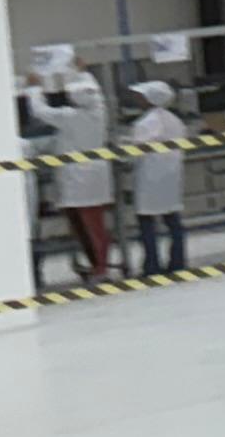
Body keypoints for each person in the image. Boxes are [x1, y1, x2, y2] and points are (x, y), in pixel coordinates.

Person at [44, 76, 113, 284]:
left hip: (79, 180)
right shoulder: (99, 111)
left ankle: (100, 269)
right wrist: (83, 72)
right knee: (93, 227)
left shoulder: (69, 116)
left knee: (91, 228)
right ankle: (98, 266)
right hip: (89, 179)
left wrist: (33, 89)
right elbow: (96, 93)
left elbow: (39, 111)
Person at [124, 79, 189, 277]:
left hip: (150, 177)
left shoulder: (146, 122)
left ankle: (151, 265)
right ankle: (178, 261)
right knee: (172, 220)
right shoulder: (175, 120)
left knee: (147, 222)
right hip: (171, 175)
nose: (137, 99)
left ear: (149, 99)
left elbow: (137, 149)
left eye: (141, 96)